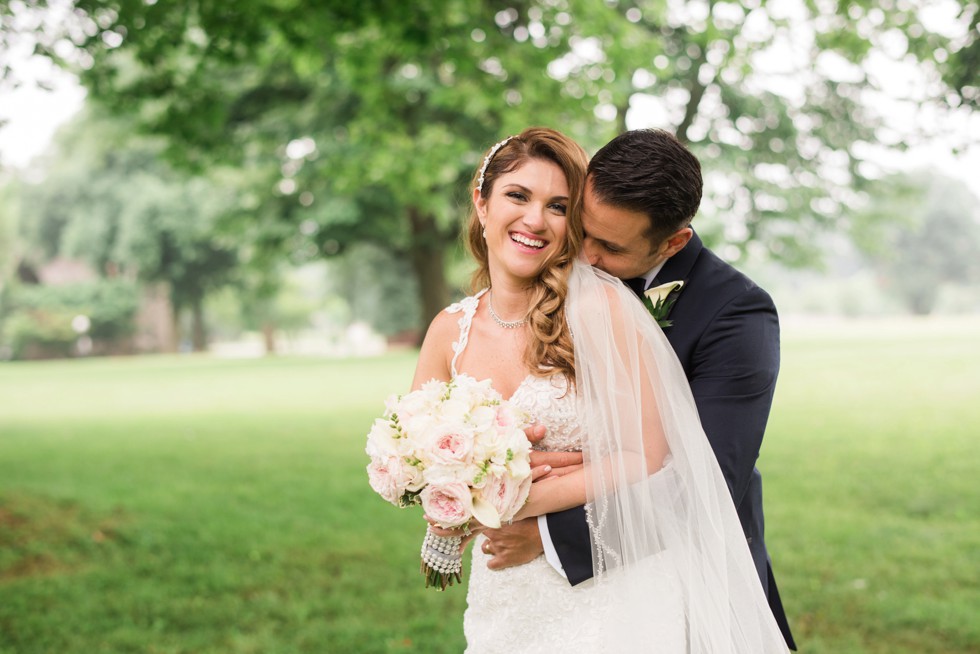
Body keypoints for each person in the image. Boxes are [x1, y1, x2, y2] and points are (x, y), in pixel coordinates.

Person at [411, 126, 789, 652]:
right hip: (510, 592)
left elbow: (704, 480)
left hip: (661, 570)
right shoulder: (464, 322)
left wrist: (537, 525)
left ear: (672, 242)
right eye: (582, 229)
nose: (583, 257)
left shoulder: (734, 314)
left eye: (608, 246)